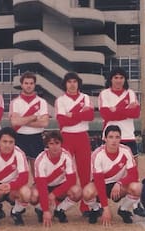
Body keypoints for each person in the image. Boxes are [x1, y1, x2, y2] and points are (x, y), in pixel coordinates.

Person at [98, 67, 145, 216]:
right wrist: (125, 110)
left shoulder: (130, 93)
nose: (118, 80)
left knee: (133, 173)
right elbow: (105, 113)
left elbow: (136, 113)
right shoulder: (104, 94)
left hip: (128, 137)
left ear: (124, 79)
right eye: (115, 77)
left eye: (121, 77)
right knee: (104, 171)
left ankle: (136, 204)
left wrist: (115, 111)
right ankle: (100, 202)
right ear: (110, 79)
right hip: (109, 137)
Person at [82, 125, 142, 226]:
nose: (114, 140)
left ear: (120, 138)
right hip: (101, 185)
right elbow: (99, 181)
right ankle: (96, 209)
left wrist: (120, 183)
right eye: (110, 137)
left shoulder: (126, 151)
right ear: (105, 139)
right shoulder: (97, 154)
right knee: (87, 192)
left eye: (117, 137)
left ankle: (123, 209)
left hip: (119, 186)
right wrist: (106, 208)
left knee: (138, 187)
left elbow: (134, 175)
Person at [55, 72, 94, 215]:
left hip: (82, 136)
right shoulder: (61, 100)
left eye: (75, 81)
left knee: (85, 172)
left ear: (78, 83)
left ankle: (85, 206)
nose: (72, 84)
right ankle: (60, 203)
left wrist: (72, 115)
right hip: (66, 137)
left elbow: (90, 116)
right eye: (69, 81)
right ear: (65, 84)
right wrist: (80, 115)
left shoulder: (86, 98)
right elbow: (62, 120)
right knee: (63, 172)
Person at [31, 131, 82, 227]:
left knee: (77, 191)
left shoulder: (66, 156)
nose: (54, 147)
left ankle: (60, 210)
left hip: (60, 186)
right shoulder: (40, 159)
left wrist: (54, 194)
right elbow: (41, 186)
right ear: (47, 145)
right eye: (51, 143)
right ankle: (40, 209)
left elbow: (71, 180)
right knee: (33, 195)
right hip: (45, 186)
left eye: (57, 143)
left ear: (61, 144)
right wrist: (46, 210)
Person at [9, 71, 49, 176]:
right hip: (20, 137)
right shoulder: (15, 102)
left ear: (34, 85)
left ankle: (37, 189)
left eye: (31, 83)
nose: (29, 86)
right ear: (22, 84)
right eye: (26, 83)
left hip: (36, 138)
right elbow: (14, 122)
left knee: (37, 169)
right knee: (19, 171)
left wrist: (22, 120)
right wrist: (34, 117)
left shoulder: (42, 102)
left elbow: (44, 123)